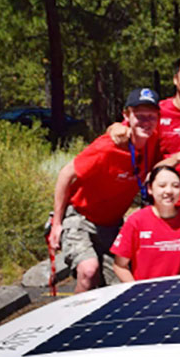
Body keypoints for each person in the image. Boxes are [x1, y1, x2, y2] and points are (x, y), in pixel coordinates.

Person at [48, 88, 163, 292]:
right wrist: (56, 224)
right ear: (127, 115)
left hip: (112, 225)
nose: (146, 121)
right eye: (140, 115)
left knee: (124, 282)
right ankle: (76, 320)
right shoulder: (107, 146)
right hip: (82, 218)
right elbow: (66, 174)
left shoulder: (152, 140)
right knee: (88, 271)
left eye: (151, 116)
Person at [110, 165, 180, 282]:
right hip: (145, 294)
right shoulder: (136, 221)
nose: (169, 191)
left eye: (176, 186)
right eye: (162, 186)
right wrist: (137, 292)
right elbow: (120, 265)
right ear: (150, 189)